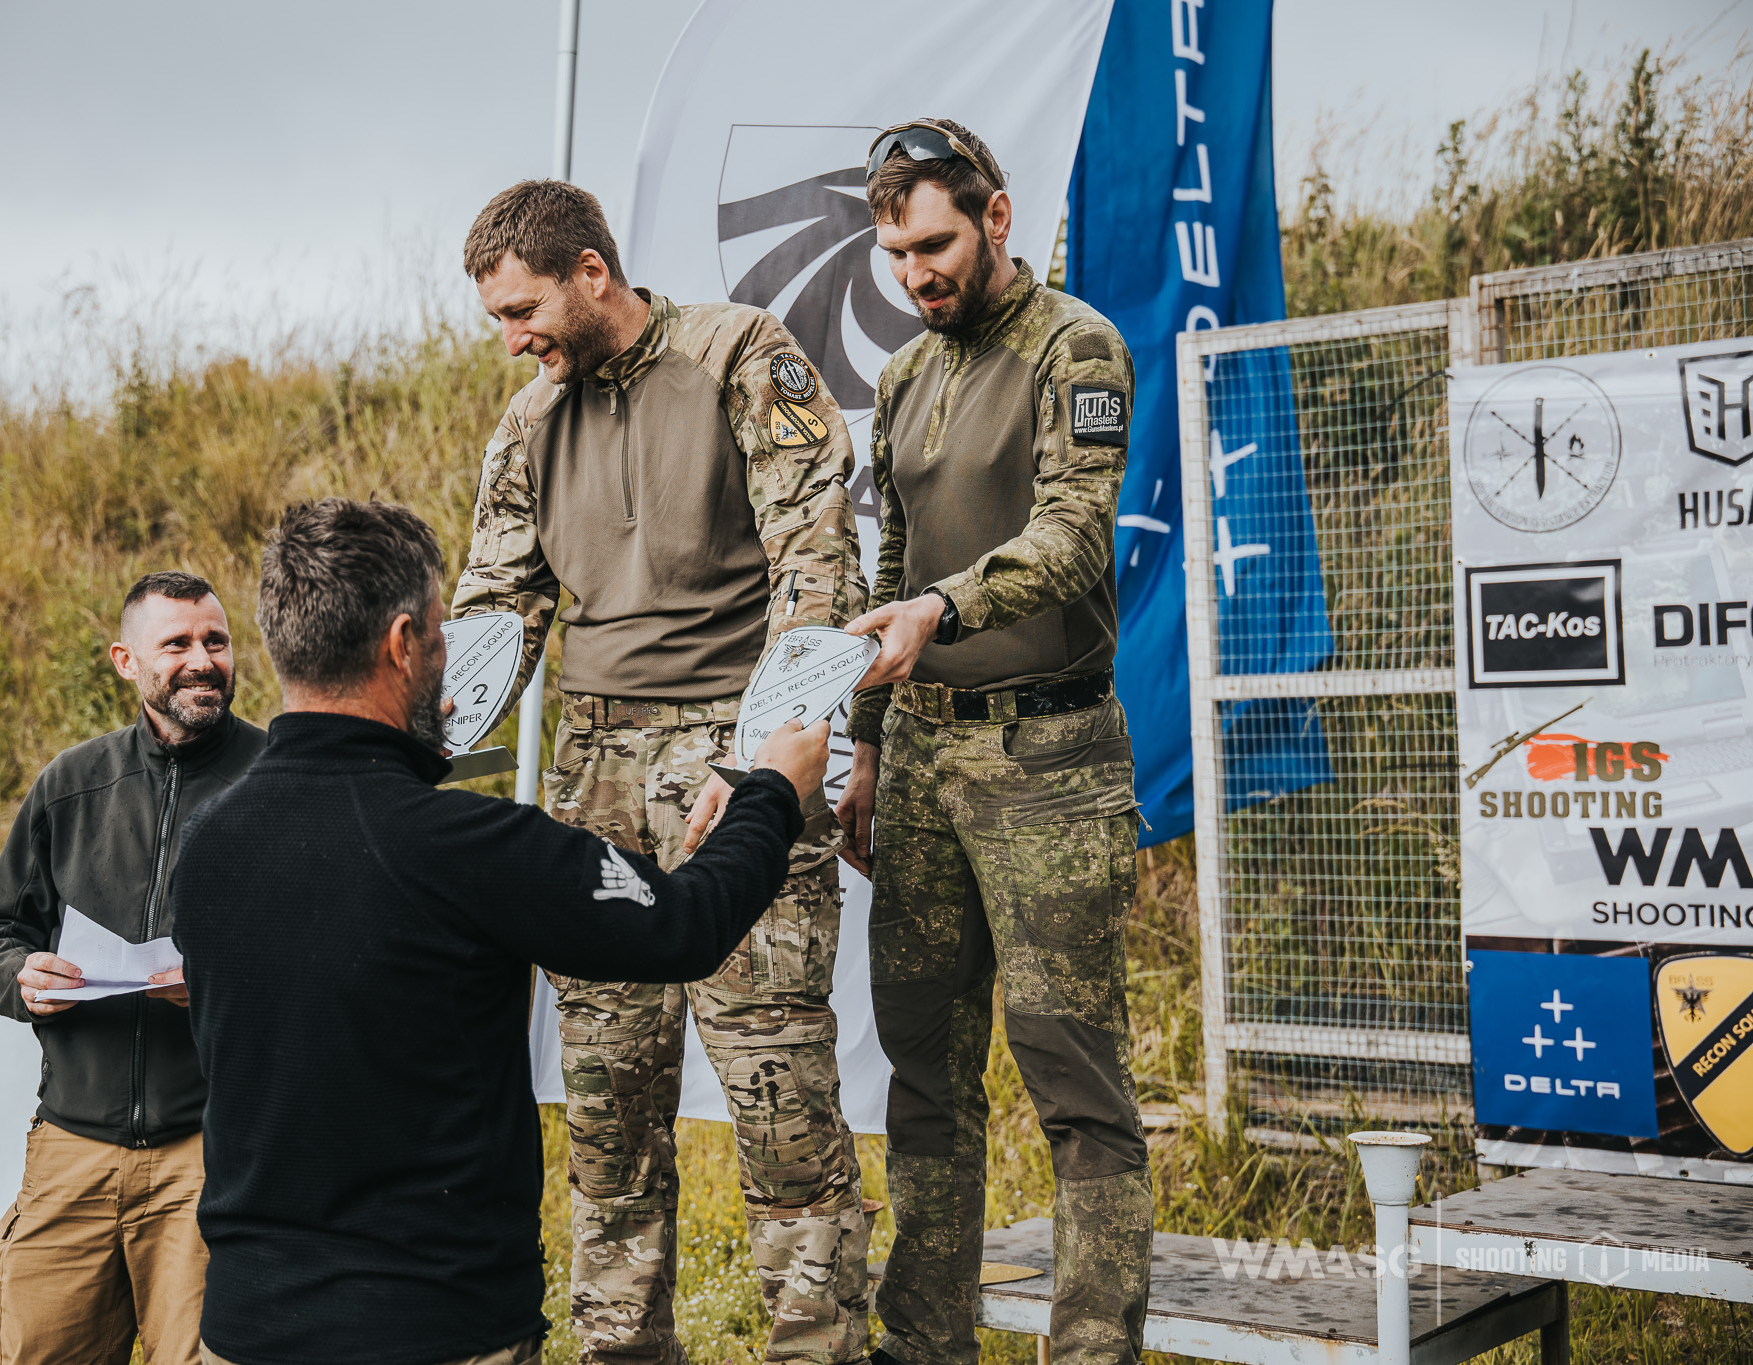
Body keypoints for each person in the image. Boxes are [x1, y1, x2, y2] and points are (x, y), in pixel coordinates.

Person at [170, 497, 831, 1365]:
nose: (447, 666)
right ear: (403, 644)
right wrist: (772, 792)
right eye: (442, 639)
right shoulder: (466, 850)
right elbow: (684, 924)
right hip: (437, 1330)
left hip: (245, 1331)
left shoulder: (207, 845)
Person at [454, 177, 869, 1365]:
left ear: (594, 272)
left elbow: (816, 558)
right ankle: (620, 1349)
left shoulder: (739, 353)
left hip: (736, 760)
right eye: (496, 319)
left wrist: (771, 756)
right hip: (593, 778)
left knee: (778, 1096)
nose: (513, 337)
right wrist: (392, 765)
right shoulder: (528, 422)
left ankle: (815, 1347)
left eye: (523, 308)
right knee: (605, 1110)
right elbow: (492, 614)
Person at [833, 121, 1152, 1365]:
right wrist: (862, 744)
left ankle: (1088, 1350)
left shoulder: (1076, 345)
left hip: (1049, 761)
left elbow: (1076, 532)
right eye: (893, 252)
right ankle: (925, 1345)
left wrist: (944, 610)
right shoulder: (906, 375)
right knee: (923, 1079)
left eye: (933, 242)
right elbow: (888, 567)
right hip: (917, 761)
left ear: (996, 217)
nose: (914, 272)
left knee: (1073, 1083)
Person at [0, 571, 266, 1365]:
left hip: (213, 1149)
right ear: (126, 661)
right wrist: (20, 976)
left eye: (216, 641)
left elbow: (331, 952)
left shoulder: (278, 781)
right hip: (72, 1145)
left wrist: (224, 987)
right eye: (177, 644)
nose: (202, 660)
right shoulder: (71, 784)